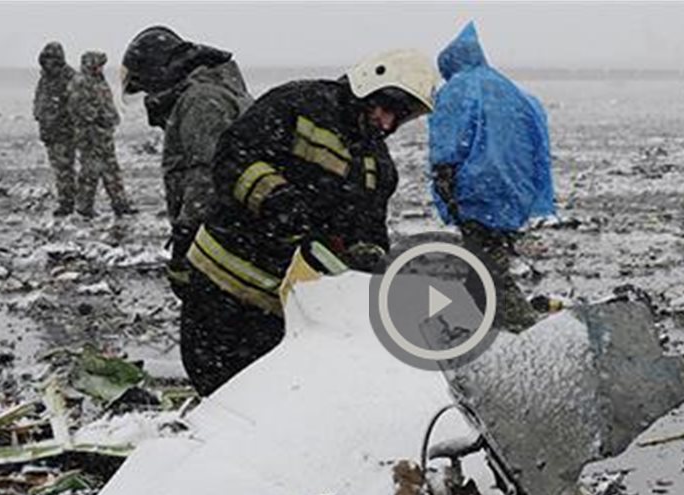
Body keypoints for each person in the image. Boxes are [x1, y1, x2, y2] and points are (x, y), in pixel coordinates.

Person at [180, 49, 438, 395]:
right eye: (387, 109)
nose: (388, 124)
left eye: (399, 118)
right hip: (220, 279)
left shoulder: (378, 168)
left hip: (280, 305)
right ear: (369, 85)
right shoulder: (299, 104)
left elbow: (370, 229)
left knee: (255, 397)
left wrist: (368, 255)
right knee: (212, 383)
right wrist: (274, 197)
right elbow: (233, 155)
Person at [429, 22, 555, 333]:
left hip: (477, 189)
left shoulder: (458, 89)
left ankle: (527, 335)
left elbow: (448, 144)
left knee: (489, 271)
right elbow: (535, 138)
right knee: (486, 263)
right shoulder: (509, 89)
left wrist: (446, 185)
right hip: (514, 191)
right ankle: (488, 330)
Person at [120, 26, 252, 297]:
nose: (147, 96)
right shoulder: (209, 92)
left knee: (213, 323)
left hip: (221, 240)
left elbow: (207, 174)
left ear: (158, 73)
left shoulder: (201, 100)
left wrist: (187, 238)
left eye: (145, 86)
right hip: (233, 234)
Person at [69, 51, 135, 218]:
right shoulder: (80, 82)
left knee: (112, 171)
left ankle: (121, 205)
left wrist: (112, 117)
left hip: (104, 136)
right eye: (98, 64)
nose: (101, 68)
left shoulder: (99, 81)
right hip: (90, 137)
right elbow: (81, 109)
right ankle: (84, 208)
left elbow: (106, 104)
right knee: (89, 172)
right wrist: (101, 118)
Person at [33, 42, 77, 217]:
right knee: (59, 169)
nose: (49, 63)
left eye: (52, 59)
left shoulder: (69, 77)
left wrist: (65, 121)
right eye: (47, 59)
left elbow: (77, 104)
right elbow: (39, 100)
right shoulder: (44, 78)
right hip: (49, 131)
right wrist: (39, 115)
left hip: (65, 132)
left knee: (65, 169)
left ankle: (67, 204)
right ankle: (66, 201)